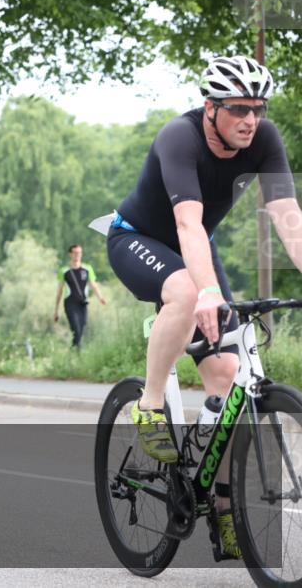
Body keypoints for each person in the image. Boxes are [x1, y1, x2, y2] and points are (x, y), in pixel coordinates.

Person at [106, 55, 301, 558]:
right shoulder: (180, 137)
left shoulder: (264, 139)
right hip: (140, 239)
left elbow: (288, 218)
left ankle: (220, 505)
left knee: (231, 377)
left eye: (257, 109)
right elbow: (188, 226)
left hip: (194, 249)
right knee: (189, 293)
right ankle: (150, 405)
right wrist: (208, 291)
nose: (250, 120)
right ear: (210, 107)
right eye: (238, 109)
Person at [52, 244, 106, 348]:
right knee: (76, 329)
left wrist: (101, 298)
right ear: (70, 254)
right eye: (75, 253)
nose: (78, 255)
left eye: (79, 253)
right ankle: (77, 354)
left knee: (81, 329)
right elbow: (59, 291)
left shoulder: (87, 269)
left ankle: (74, 354)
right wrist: (56, 310)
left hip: (82, 304)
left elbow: (93, 285)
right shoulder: (64, 271)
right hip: (70, 303)